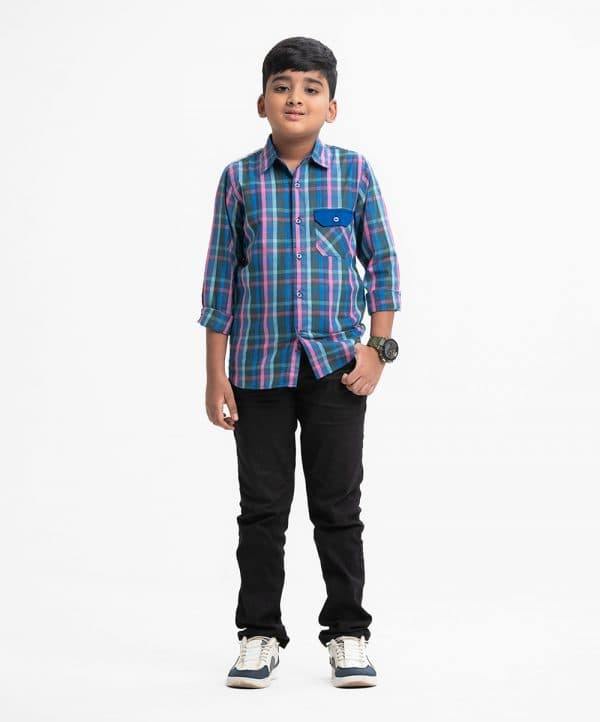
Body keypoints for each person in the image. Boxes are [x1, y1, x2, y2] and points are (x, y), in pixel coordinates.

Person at [197, 36, 401, 689]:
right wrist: (215, 374)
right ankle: (258, 634)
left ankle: (347, 632)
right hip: (257, 370)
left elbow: (383, 266)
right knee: (262, 509)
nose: (295, 98)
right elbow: (219, 282)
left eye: (311, 89)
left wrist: (378, 350)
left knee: (338, 507)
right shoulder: (239, 180)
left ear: (330, 107)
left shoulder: (353, 173)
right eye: (282, 86)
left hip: (337, 369)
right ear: (262, 102)